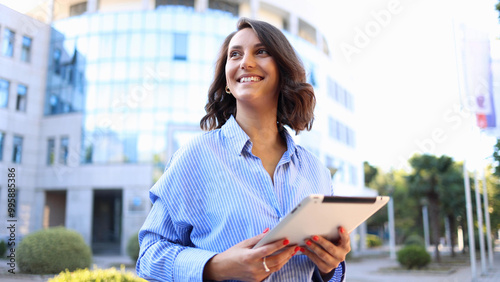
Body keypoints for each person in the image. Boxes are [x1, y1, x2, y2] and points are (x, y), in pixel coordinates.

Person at [136, 17, 350, 281]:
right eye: (234, 55)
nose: (245, 62)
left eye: (261, 52)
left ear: (283, 70)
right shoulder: (195, 157)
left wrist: (330, 267)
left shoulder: (316, 171)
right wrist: (217, 266)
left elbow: (328, 272)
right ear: (227, 80)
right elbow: (148, 257)